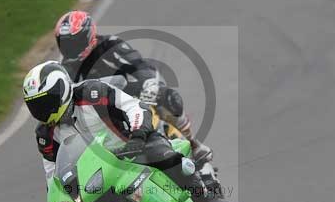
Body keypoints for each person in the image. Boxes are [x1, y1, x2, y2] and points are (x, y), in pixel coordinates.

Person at [23, 61, 233, 202]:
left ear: (62, 90)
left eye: (45, 101)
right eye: (36, 105)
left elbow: (134, 106)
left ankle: (208, 201)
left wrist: (138, 135)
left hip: (134, 146)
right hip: (98, 174)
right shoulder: (45, 133)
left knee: (165, 156)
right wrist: (61, 200)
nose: (42, 110)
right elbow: (52, 174)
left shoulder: (93, 92)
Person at [52, 10, 214, 167]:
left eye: (74, 42)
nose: (70, 48)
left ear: (89, 36)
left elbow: (139, 65)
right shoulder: (65, 70)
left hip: (130, 95)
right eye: (65, 43)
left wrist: (149, 85)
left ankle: (192, 143)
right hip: (100, 111)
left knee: (169, 98)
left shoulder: (110, 46)